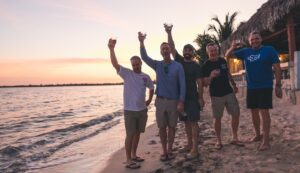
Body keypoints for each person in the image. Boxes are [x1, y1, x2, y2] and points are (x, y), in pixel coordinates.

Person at [225, 31, 282, 151]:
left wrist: (278, 85)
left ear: (261, 39)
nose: (254, 41)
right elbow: (227, 56)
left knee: (264, 112)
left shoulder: (269, 50)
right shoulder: (246, 52)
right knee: (253, 112)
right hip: (251, 87)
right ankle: (257, 135)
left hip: (265, 86)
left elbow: (277, 67)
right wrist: (232, 47)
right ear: (249, 42)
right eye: (252, 40)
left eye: (256, 38)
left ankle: (266, 140)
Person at [138, 32, 186, 161]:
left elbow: (182, 84)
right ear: (160, 52)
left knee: (172, 127)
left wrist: (181, 101)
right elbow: (144, 57)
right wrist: (141, 42)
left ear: (170, 50)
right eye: (163, 49)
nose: (165, 50)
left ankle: (170, 149)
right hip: (160, 101)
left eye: (167, 48)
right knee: (162, 127)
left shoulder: (178, 66)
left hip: (173, 102)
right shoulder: (157, 65)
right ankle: (164, 151)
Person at [108, 38, 154, 169]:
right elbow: (115, 64)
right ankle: (128, 160)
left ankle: (134, 155)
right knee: (130, 134)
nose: (135, 66)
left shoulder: (146, 76)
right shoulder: (127, 74)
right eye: (133, 65)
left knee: (138, 133)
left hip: (142, 110)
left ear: (141, 63)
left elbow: (151, 87)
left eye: (137, 64)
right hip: (129, 111)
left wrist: (149, 100)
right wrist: (111, 49)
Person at [164, 24, 204, 159]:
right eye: (185, 50)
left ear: (193, 52)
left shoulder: (196, 66)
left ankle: (195, 149)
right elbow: (172, 47)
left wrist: (200, 98)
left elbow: (199, 82)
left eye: (189, 50)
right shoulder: (179, 61)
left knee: (193, 123)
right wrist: (169, 32)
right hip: (181, 98)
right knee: (186, 122)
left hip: (192, 98)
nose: (187, 52)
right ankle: (189, 144)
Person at [202, 42, 243, 149]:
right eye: (211, 51)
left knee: (236, 114)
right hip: (216, 95)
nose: (214, 52)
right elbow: (205, 83)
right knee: (217, 118)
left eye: (215, 50)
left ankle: (235, 137)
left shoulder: (222, 60)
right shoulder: (206, 65)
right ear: (208, 52)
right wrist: (211, 76)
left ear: (217, 51)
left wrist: (233, 84)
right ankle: (219, 140)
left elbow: (228, 73)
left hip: (229, 92)